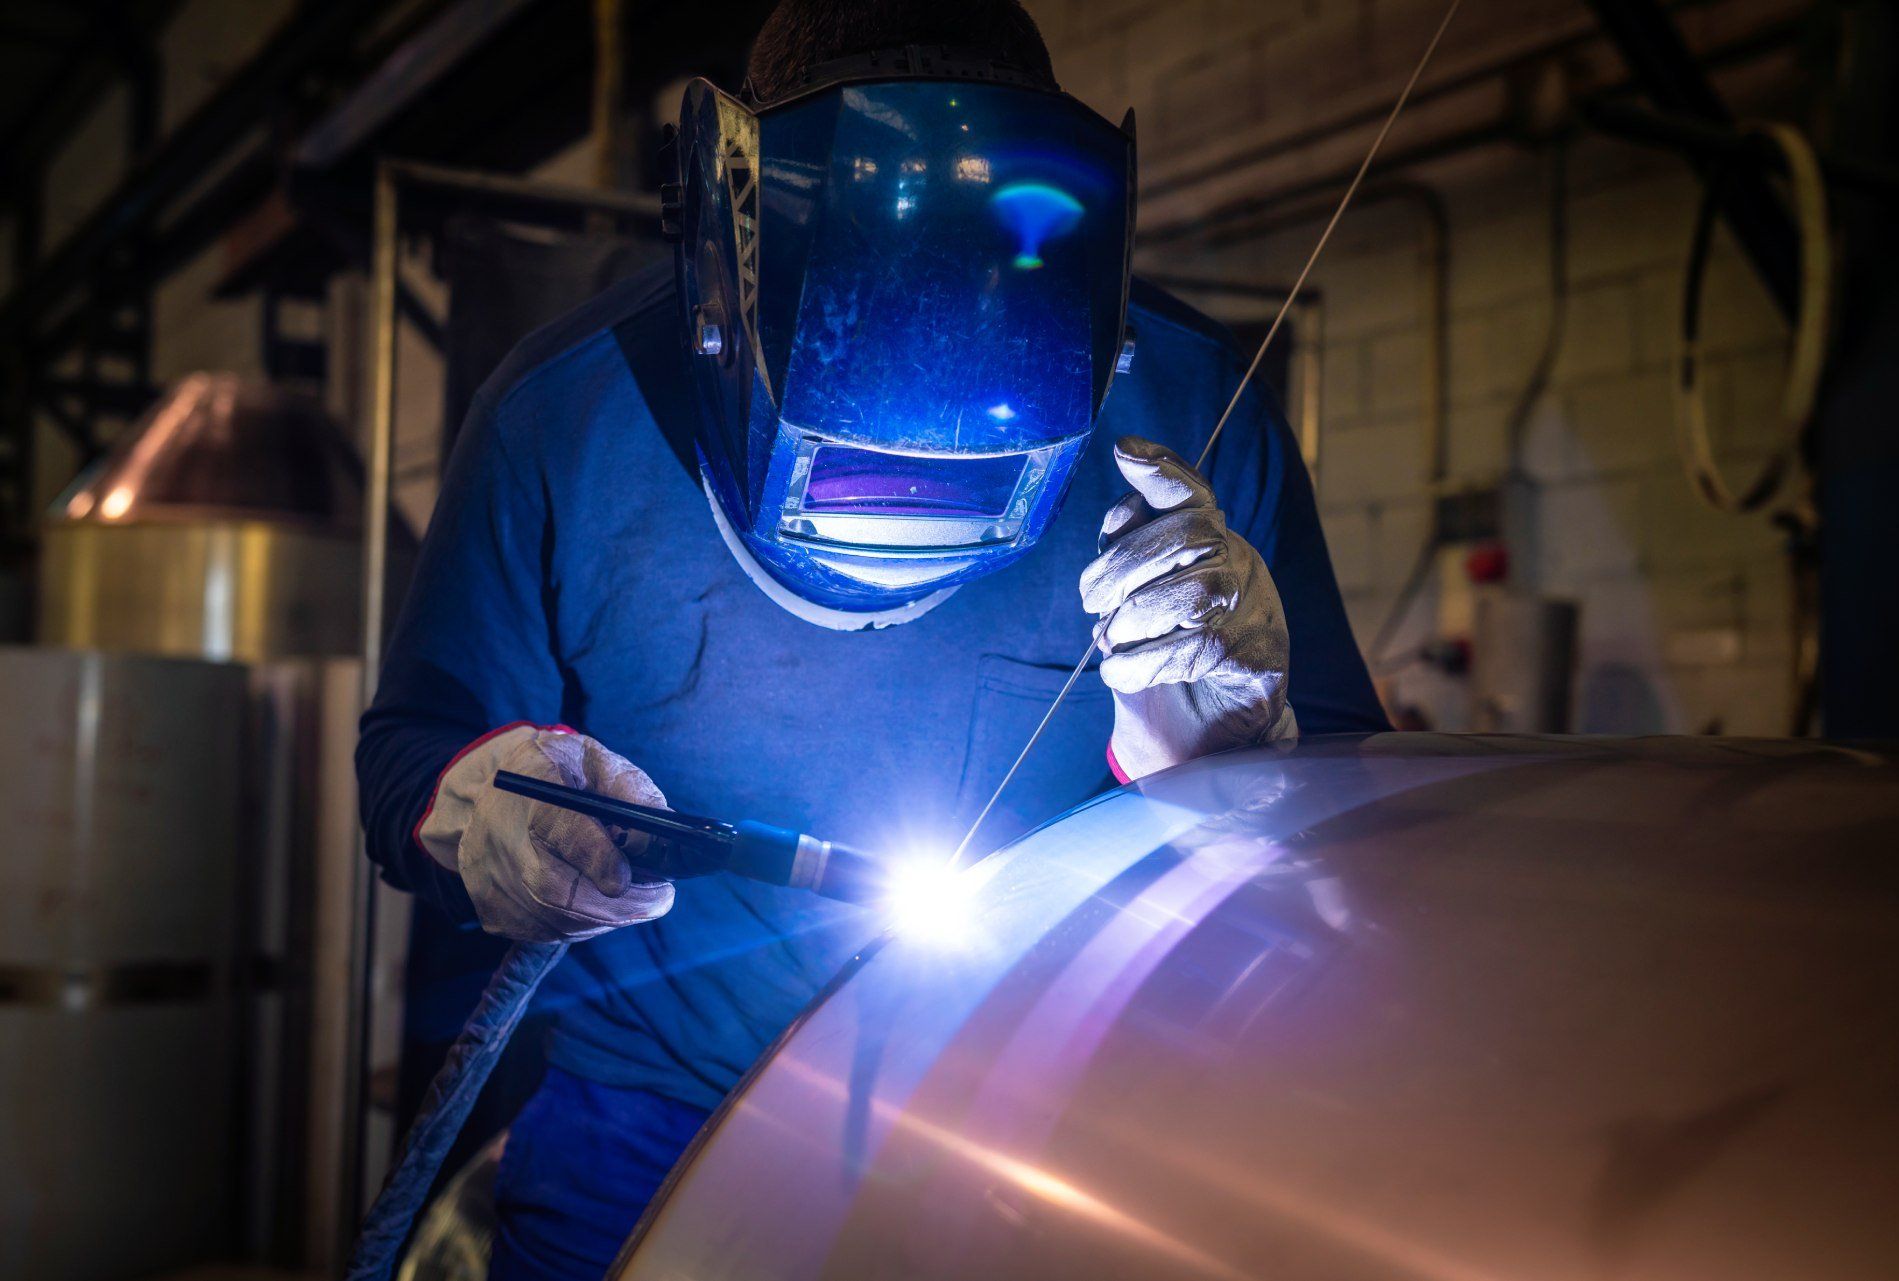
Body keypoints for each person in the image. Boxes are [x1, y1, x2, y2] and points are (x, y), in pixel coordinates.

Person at [357, 1, 1389, 1276]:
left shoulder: (1192, 406)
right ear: (740, 267)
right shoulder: (565, 417)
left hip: (1049, 1126)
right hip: (649, 1133)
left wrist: (1228, 755)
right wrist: (483, 812)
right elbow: (408, 751)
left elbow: (1364, 820)